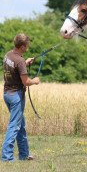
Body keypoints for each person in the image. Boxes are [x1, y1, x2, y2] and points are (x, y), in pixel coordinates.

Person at [1, 33, 40, 161]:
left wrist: (26, 62)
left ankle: (24, 155)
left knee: (20, 125)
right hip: (16, 96)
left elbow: (15, 67)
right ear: (22, 46)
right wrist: (35, 80)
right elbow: (26, 82)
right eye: (27, 45)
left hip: (7, 93)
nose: (27, 47)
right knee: (14, 126)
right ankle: (7, 157)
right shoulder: (20, 61)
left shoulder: (8, 55)